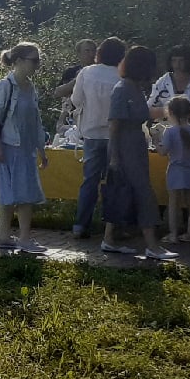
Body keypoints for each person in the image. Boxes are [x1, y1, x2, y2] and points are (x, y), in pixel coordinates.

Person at [102, 45, 179, 260]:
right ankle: (152, 246)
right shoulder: (122, 89)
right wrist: (115, 156)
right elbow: (114, 125)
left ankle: (108, 239)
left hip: (136, 143)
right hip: (125, 146)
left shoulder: (136, 88)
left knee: (122, 191)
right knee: (143, 192)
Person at [0, 43, 50, 253]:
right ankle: (16, 238)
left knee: (25, 193)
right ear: (19, 61)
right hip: (8, 146)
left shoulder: (31, 87)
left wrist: (42, 150)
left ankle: (15, 237)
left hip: (26, 148)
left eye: (38, 61)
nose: (37, 65)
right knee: (11, 194)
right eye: (34, 60)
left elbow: (35, 121)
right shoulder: (4, 86)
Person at [69, 38, 127, 238]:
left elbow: (75, 100)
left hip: (91, 133)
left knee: (89, 181)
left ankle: (80, 225)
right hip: (115, 135)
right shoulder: (121, 76)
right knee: (114, 182)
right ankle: (113, 228)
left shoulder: (86, 72)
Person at [159, 96, 190, 244]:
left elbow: (162, 152)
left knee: (174, 203)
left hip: (176, 170)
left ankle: (173, 234)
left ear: (170, 113)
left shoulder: (169, 132)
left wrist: (156, 141)